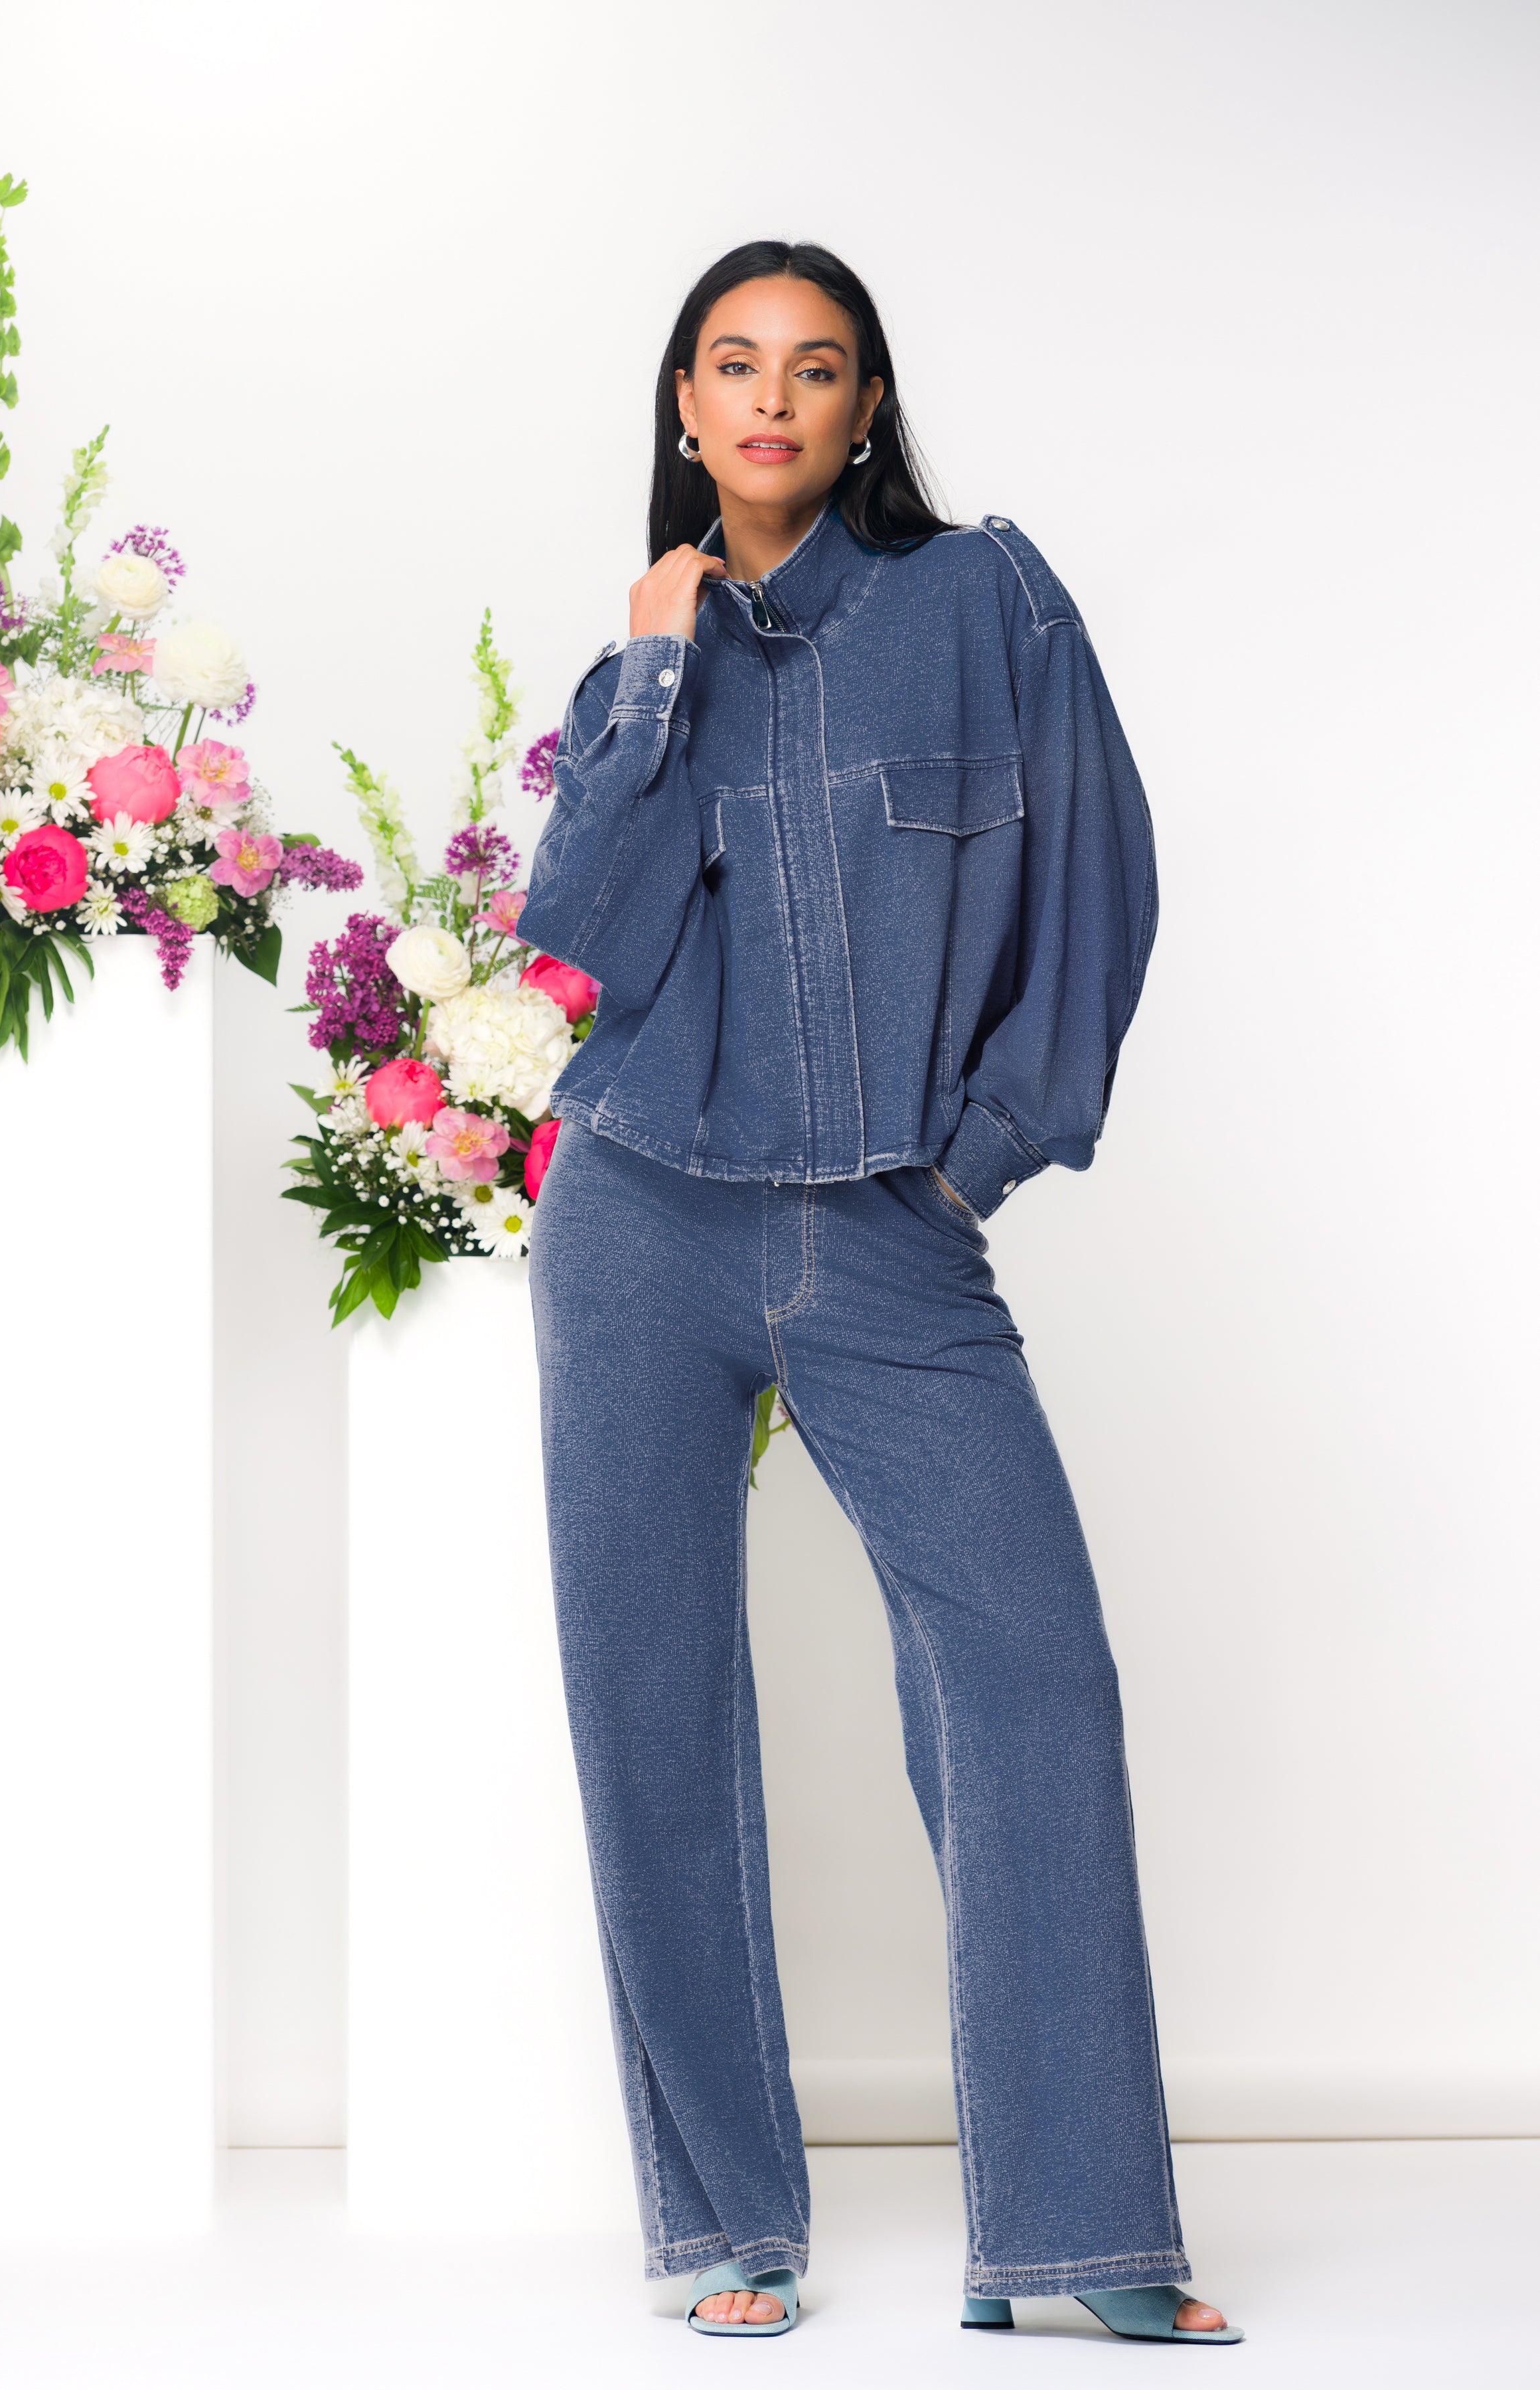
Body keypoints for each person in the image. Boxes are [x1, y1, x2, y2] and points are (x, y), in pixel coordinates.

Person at [520, 240, 1239, 2350]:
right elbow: (591, 942)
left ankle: (1082, 2233)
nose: (771, 400)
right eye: (731, 367)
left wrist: (977, 1158)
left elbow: (1101, 885)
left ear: (862, 407)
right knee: (651, 1709)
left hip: (888, 1235)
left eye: (813, 370)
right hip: (637, 1220)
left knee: (1030, 1682)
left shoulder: (982, 601)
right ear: (682, 407)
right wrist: (652, 676)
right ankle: (723, 2221)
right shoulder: (635, 662)